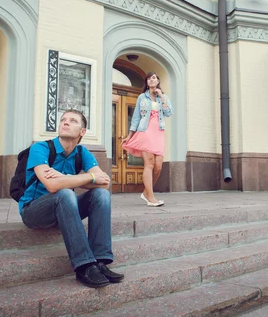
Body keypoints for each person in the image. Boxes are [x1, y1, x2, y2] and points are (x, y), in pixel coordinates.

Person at [19, 109, 124, 288]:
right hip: (34, 211)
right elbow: (52, 186)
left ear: (82, 132)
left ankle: (100, 262)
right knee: (65, 193)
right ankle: (84, 266)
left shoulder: (82, 153)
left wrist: (62, 176)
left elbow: (104, 183)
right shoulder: (40, 148)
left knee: (101, 195)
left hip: (65, 208)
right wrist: (89, 178)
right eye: (63, 120)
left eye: (73, 121)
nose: (65, 123)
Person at [122, 72, 173, 207]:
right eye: (149, 78)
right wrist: (130, 135)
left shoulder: (164, 97)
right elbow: (136, 118)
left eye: (154, 77)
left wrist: (161, 95)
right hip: (145, 131)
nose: (152, 79)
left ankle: (146, 193)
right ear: (147, 82)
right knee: (149, 164)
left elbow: (169, 112)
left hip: (159, 132)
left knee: (158, 166)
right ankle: (150, 198)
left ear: (158, 81)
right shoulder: (141, 98)